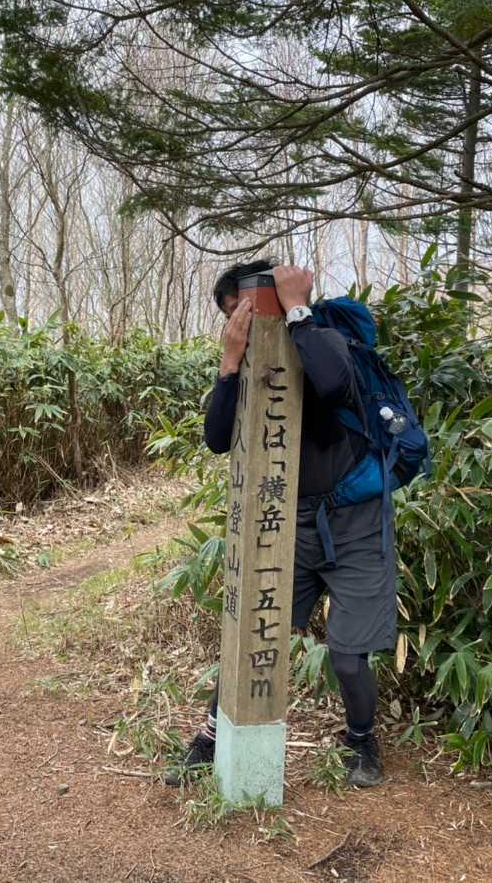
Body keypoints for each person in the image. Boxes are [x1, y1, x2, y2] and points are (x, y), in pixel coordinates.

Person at [164, 259, 396, 789]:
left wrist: (296, 311)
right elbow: (218, 438)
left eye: (253, 307)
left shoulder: (324, 336)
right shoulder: (250, 360)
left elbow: (333, 385)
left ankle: (362, 739)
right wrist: (230, 361)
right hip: (289, 519)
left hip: (357, 520)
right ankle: (212, 737)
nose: (248, 322)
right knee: (251, 629)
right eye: (236, 314)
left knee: (348, 655)